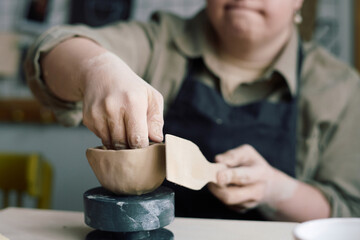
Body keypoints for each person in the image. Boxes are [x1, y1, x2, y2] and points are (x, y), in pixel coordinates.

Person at [25, 0, 360, 222]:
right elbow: (51, 50)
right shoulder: (161, 40)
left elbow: (349, 215)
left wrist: (277, 191)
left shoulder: (341, 87)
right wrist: (97, 67)